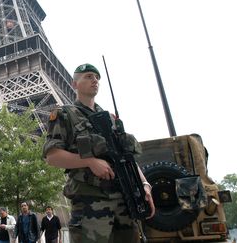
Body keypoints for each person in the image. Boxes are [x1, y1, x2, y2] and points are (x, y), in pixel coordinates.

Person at [42, 63, 156, 243]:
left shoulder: (110, 119)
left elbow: (126, 157)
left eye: (96, 77)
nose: (94, 80)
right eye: (88, 76)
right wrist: (89, 162)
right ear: (74, 84)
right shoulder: (64, 114)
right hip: (90, 203)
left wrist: (144, 184)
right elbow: (52, 156)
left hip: (124, 201)